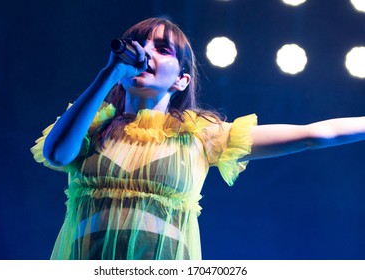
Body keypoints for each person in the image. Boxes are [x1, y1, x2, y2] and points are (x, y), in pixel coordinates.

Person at [31, 17, 365, 260]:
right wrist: (110, 73)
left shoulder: (201, 136)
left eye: (162, 48)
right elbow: (58, 154)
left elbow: (314, 134)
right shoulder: (91, 127)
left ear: (181, 80)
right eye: (140, 43)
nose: (146, 52)